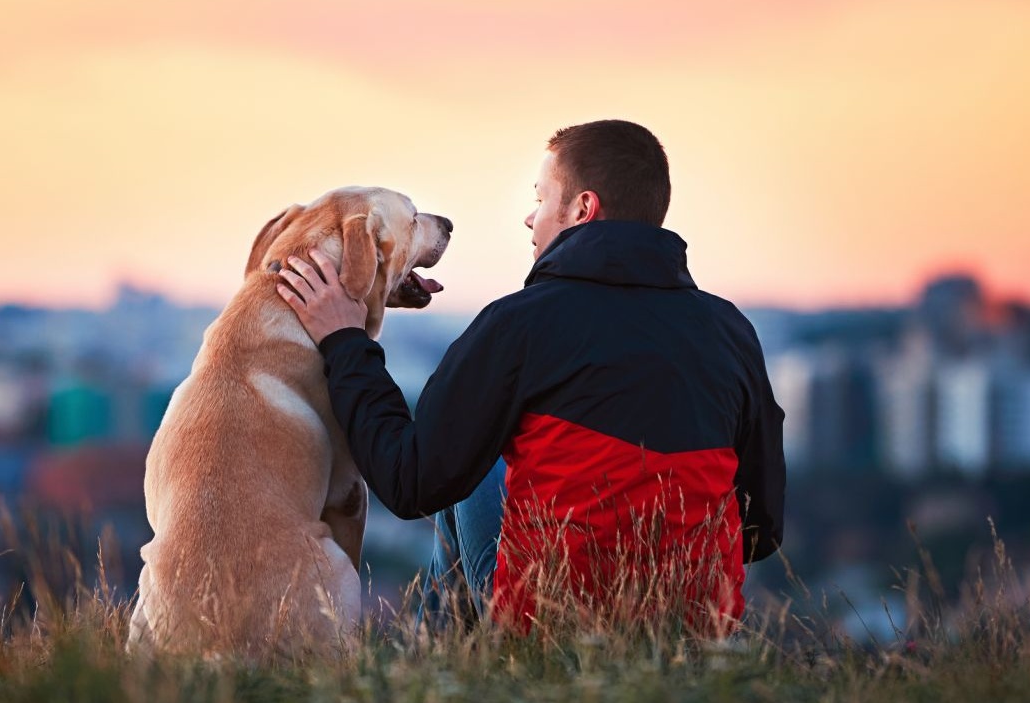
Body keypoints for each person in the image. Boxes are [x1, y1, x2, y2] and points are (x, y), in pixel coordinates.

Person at [276, 119, 785, 634]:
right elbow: (761, 529)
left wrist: (345, 341)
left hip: (552, 625)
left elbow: (409, 482)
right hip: (696, 630)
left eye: (541, 199)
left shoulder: (518, 324)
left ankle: (439, 672)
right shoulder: (731, 332)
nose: (529, 217)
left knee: (467, 475)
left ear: (582, 209)